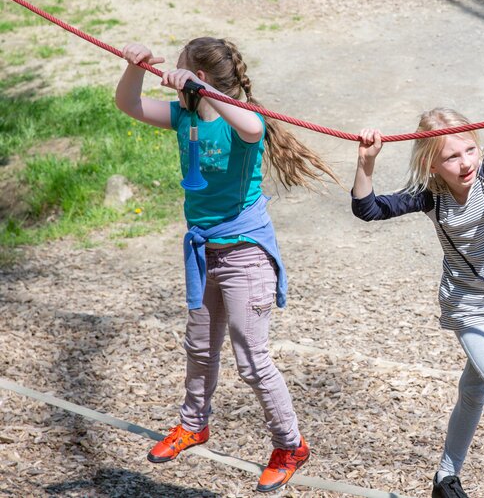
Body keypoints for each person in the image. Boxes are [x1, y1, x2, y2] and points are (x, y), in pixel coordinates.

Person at [115, 37, 338, 493]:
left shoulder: (243, 119)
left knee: (252, 359)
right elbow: (130, 103)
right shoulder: (183, 116)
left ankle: (290, 444)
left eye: (183, 74)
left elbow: (254, 130)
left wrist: (203, 87)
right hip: (203, 252)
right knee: (199, 348)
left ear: (207, 83)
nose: (174, 81)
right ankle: (192, 424)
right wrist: (134, 67)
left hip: (245, 253)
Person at [351, 105, 484, 498]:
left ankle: (445, 477)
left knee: (475, 387)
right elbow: (368, 209)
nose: (464, 163)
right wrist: (366, 164)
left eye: (468, 151)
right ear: (432, 165)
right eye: (450, 157)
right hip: (467, 306)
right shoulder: (431, 197)